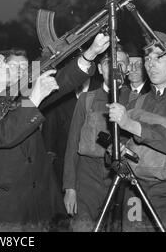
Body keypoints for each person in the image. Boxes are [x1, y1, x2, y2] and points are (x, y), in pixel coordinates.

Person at [0, 33, 110, 230]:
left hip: (42, 200)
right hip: (6, 207)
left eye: (1, 61)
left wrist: (90, 54)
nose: (4, 66)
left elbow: (62, 82)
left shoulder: (17, 96)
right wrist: (35, 97)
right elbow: (2, 135)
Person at [108, 31, 166, 231]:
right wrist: (115, 151)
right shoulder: (138, 101)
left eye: (159, 57)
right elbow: (114, 157)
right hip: (135, 195)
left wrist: (131, 124)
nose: (150, 63)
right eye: (147, 58)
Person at [62, 46, 130, 231]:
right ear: (100, 68)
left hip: (122, 179)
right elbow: (72, 144)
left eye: (121, 64)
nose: (115, 68)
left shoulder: (135, 100)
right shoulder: (86, 99)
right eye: (109, 64)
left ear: (128, 69)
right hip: (87, 179)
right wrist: (70, 188)